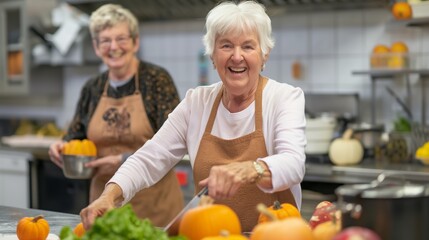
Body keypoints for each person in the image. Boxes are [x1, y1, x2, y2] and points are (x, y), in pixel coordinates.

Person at [80, 0, 306, 232]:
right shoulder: (196, 102)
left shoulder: (284, 98)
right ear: (212, 54)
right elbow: (149, 157)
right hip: (209, 235)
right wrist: (110, 195)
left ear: (264, 54)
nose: (237, 57)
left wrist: (250, 170)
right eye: (226, 46)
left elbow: (294, 163)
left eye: (248, 47)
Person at [48, 4, 184, 227]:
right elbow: (76, 135)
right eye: (105, 40)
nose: (114, 47)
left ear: (135, 42)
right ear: (96, 46)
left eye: (121, 38)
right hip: (104, 206)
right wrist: (63, 146)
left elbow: (173, 143)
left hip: (155, 206)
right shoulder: (92, 87)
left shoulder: (156, 80)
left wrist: (122, 161)